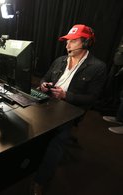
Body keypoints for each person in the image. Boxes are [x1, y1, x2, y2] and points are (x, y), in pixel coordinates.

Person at [32, 24, 107, 195]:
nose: (67, 45)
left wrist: (66, 96)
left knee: (57, 141)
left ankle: (40, 181)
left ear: (86, 43)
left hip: (69, 109)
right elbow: (45, 77)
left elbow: (93, 98)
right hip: (47, 101)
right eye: (67, 41)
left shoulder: (98, 67)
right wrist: (43, 85)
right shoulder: (59, 60)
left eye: (73, 41)